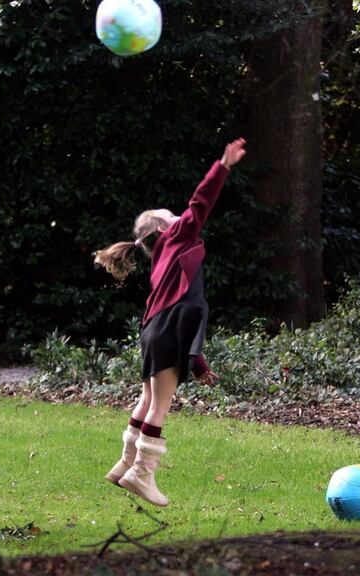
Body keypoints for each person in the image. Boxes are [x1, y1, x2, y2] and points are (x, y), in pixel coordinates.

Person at [94, 137, 247, 507]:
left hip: (155, 331)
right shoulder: (176, 238)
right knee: (160, 404)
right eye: (172, 216)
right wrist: (222, 166)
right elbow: (200, 204)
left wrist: (198, 363)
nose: (180, 217)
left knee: (148, 398)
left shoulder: (162, 259)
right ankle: (142, 473)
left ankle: (125, 463)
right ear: (164, 229)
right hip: (166, 330)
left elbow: (182, 314)